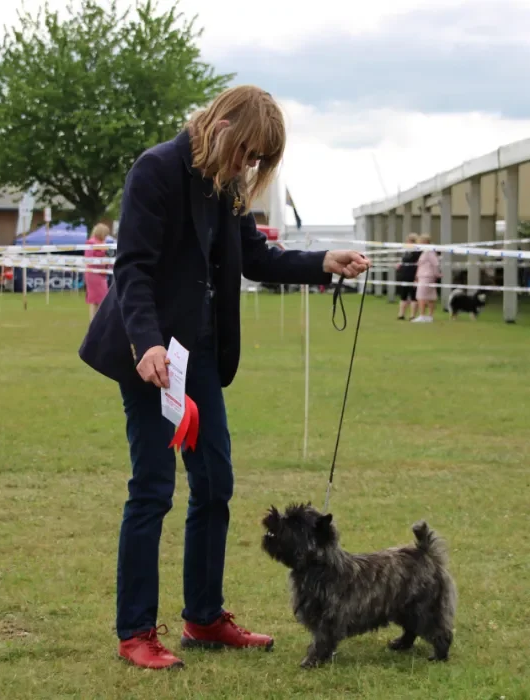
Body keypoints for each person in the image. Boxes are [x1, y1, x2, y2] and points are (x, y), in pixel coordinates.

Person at [78, 85, 371, 670]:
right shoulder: (156, 170)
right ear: (221, 128)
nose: (249, 166)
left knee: (215, 484)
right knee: (152, 489)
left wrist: (322, 262)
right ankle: (136, 631)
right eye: (247, 153)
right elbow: (133, 268)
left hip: (202, 357)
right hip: (151, 355)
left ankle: (204, 618)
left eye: (259, 160)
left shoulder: (230, 186)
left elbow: (257, 258)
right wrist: (148, 342)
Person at [84, 223, 110, 321]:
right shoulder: (91, 243)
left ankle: (96, 321)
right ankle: (95, 321)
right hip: (93, 274)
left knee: (99, 300)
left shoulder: (103, 243)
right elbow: (90, 259)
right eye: (105, 234)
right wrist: (104, 255)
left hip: (101, 274)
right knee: (97, 299)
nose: (106, 236)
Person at [413, 233, 440, 322]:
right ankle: (429, 316)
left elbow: (435, 263)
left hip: (427, 276)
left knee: (421, 296)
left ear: (425, 242)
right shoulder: (425, 252)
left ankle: (423, 315)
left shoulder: (429, 251)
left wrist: (436, 274)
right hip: (424, 276)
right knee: (430, 296)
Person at [396, 232, 421, 320]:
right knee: (403, 295)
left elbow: (419, 265)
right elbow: (404, 262)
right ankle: (401, 314)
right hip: (404, 275)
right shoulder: (407, 251)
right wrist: (400, 265)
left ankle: (412, 315)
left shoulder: (418, 251)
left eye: (408, 241)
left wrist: (417, 277)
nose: (406, 242)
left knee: (414, 296)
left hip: (413, 275)